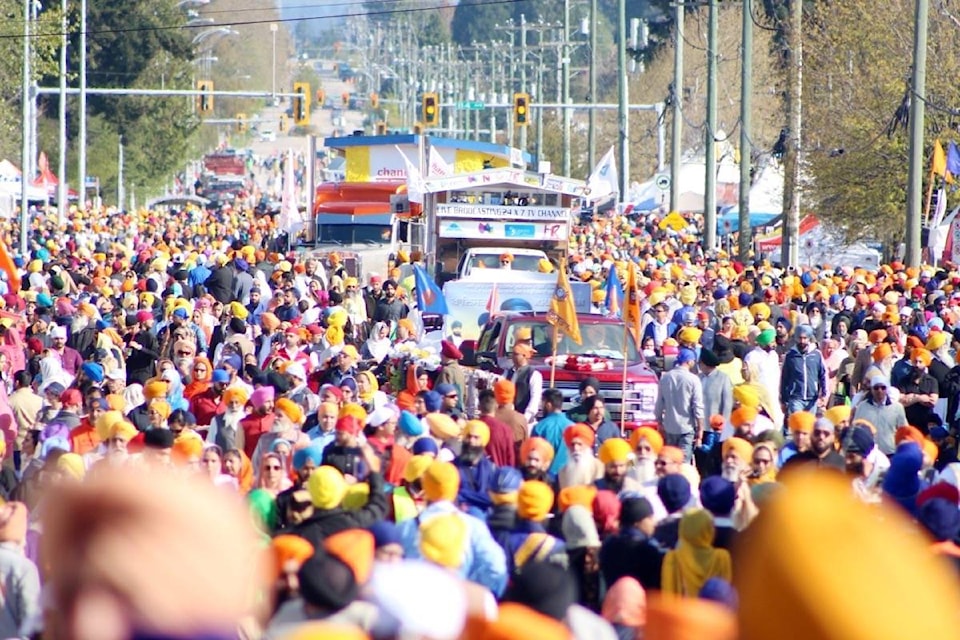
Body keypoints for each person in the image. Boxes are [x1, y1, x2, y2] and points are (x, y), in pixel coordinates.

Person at [661, 509, 732, 596]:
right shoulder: (722, 557)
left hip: (683, 609)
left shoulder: (673, 558)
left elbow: (668, 596)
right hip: (714, 609)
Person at [599, 496, 664, 590]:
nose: (654, 522)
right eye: (649, 518)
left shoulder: (608, 544)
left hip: (613, 599)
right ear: (637, 522)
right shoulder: (647, 550)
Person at [654, 348, 704, 462]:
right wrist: (700, 428)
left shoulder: (665, 377)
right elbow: (698, 406)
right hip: (686, 427)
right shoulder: (693, 379)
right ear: (689, 361)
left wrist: (659, 422)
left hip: (669, 426)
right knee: (683, 462)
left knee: (670, 459)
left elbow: (659, 403)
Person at [852, 373, 908, 456]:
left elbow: (904, 430)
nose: (879, 390)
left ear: (887, 389)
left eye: (883, 387)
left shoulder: (897, 408)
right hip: (869, 453)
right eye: (876, 388)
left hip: (890, 453)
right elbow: (856, 428)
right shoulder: (862, 406)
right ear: (871, 389)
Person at [779, 324, 827, 419]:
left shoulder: (816, 355)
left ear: (809, 338)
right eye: (800, 338)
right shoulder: (790, 356)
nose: (802, 341)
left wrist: (824, 394)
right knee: (797, 421)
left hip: (812, 397)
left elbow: (822, 375)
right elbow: (784, 378)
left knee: (809, 425)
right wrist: (783, 399)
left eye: (805, 338)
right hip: (795, 397)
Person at [531, 388, 571, 476]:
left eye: (542, 403)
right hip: (568, 475)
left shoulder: (539, 427)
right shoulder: (573, 427)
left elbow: (533, 453)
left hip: (545, 476)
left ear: (548, 405)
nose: (541, 407)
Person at [503, 344, 543, 425]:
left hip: (525, 420)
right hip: (508, 418)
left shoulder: (533, 374)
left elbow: (535, 398)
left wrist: (526, 417)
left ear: (524, 356)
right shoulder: (508, 372)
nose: (513, 357)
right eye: (512, 354)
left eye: (516, 354)